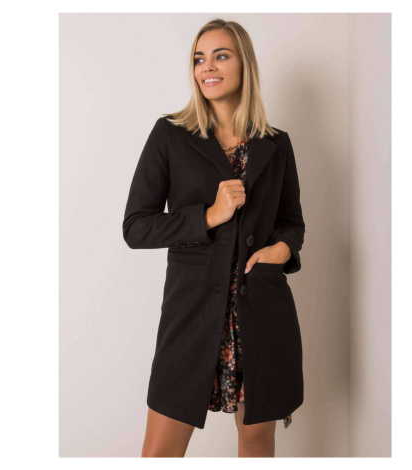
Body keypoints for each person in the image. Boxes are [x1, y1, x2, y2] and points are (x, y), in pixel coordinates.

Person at [122, 18, 305, 458]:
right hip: (191, 315)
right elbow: (136, 226)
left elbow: (292, 223)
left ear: (245, 64)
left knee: (256, 442)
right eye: (199, 58)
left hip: (261, 314)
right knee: (161, 452)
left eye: (221, 56)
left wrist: (282, 249)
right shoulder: (171, 134)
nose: (208, 67)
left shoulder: (276, 143)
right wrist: (208, 215)